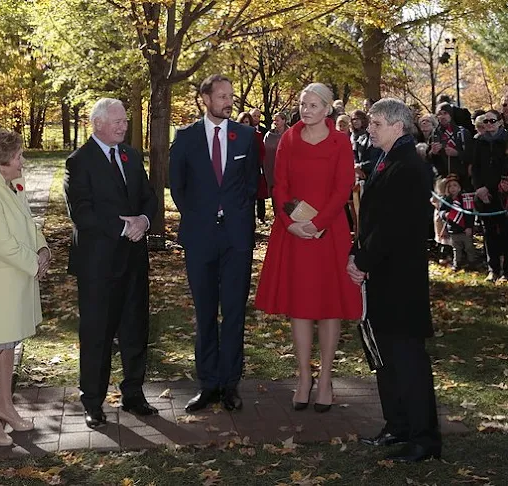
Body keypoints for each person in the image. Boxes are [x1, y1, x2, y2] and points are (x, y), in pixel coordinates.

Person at [255, 83, 361, 413]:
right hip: (294, 232)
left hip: (328, 233)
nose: (306, 110)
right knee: (299, 307)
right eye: (303, 104)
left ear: (328, 109)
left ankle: (326, 379)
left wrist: (318, 223)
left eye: (314, 105)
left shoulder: (340, 141)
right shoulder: (288, 138)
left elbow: (343, 186)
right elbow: (280, 184)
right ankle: (304, 378)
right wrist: (291, 224)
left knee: (329, 306)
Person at [347, 98, 441, 462]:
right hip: (381, 275)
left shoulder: (409, 166)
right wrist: (359, 256)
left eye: (376, 122)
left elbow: (394, 227)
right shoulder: (387, 161)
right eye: (370, 122)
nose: (369, 127)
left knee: (408, 359)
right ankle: (397, 425)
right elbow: (374, 220)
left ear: (398, 126)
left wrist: (363, 260)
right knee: (384, 357)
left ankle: (424, 438)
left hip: (400, 279)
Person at [64, 98, 158, 427]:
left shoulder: (131, 156)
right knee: (97, 335)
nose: (123, 126)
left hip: (133, 262)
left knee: (135, 330)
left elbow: (148, 195)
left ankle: (133, 394)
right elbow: (83, 212)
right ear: (98, 124)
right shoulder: (79, 161)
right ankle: (92, 401)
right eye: (117, 121)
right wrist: (125, 227)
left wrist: (144, 220)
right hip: (98, 266)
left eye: (125, 121)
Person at [169, 74, 258, 413]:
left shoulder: (246, 136)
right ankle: (207, 384)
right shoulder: (187, 137)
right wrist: (201, 214)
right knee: (205, 312)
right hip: (199, 237)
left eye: (230, 96)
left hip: (236, 239)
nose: (228, 101)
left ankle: (231, 383)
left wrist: (233, 213)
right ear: (205, 98)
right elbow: (177, 185)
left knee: (234, 312)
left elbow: (251, 185)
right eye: (221, 95)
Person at [0, 128, 50, 446]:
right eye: (18, 157)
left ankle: (4, 404)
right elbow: (3, 244)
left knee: (8, 346)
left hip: (16, 282)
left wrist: (42, 248)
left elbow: (28, 221)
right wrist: (35, 264)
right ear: (2, 161)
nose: (23, 161)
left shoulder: (13, 183)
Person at [471, 109, 508, 282]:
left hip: (504, 193)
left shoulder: (506, 140)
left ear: (500, 122)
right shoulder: (479, 142)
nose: (488, 125)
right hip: (485, 193)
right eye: (485, 121)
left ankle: (506, 272)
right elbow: (475, 168)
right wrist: (479, 188)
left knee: (506, 232)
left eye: (492, 121)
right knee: (489, 232)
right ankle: (492, 269)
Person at [438, 174, 477, 271]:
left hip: (465, 229)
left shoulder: (464, 199)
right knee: (456, 248)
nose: (452, 188)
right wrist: (444, 215)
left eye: (455, 185)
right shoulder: (446, 200)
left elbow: (469, 214)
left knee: (469, 247)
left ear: (459, 187)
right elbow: (441, 211)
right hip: (453, 229)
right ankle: (457, 263)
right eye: (450, 186)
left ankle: (471, 262)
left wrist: (469, 227)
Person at [430, 102, 472, 189]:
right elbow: (429, 159)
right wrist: (433, 152)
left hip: (462, 178)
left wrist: (457, 153)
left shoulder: (462, 132)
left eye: (445, 113)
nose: (442, 116)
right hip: (443, 179)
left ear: (450, 114)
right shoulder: (435, 134)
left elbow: (471, 155)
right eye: (439, 114)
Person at [263, 112, 288, 203]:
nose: (275, 122)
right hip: (271, 169)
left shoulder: (290, 134)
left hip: (286, 171)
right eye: (274, 120)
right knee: (275, 197)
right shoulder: (269, 135)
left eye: (277, 120)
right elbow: (264, 151)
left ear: (284, 121)